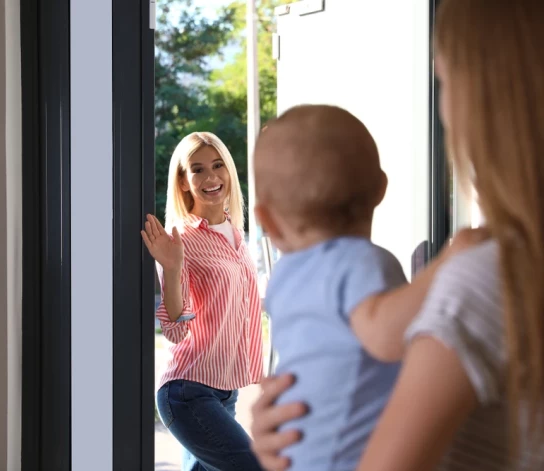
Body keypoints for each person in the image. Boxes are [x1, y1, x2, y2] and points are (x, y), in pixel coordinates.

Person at [250, 1, 544, 470]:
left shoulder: (486, 278)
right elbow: (383, 337)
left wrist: (280, 449)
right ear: (380, 190)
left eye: (444, 81)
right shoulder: (376, 263)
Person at [252, 104, 482, 471]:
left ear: (266, 220)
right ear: (380, 189)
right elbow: (386, 335)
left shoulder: (283, 278)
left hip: (296, 449)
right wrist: (447, 264)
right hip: (345, 455)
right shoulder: (360, 261)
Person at [142, 132, 264, 471]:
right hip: (187, 391)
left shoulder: (236, 235)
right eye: (197, 169)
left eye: (218, 165)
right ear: (182, 181)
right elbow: (175, 329)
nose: (211, 177)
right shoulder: (181, 239)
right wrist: (172, 265)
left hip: (226, 391)